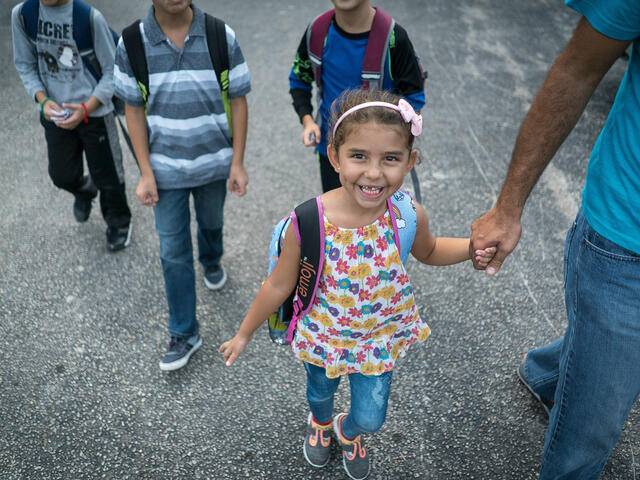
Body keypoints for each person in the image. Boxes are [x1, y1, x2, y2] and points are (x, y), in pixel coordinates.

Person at [220, 89, 495, 480]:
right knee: (319, 393)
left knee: (372, 415)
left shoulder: (406, 214)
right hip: (323, 336)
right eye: (359, 156)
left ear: (410, 162)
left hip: (377, 340)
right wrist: (244, 334)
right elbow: (277, 286)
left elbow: (430, 251)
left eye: (391, 159)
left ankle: (347, 430)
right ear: (335, 157)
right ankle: (320, 421)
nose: (374, 172)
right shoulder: (308, 222)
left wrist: (472, 249)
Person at [469, 1, 640, 478]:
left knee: (604, 360)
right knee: (587, 441)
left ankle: (554, 371)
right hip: (628, 239)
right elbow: (577, 69)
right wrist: (508, 207)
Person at [114, 0, 250, 371]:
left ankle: (211, 258)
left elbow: (238, 100)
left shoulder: (221, 35)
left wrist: (237, 162)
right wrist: (145, 171)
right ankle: (184, 333)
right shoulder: (132, 42)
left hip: (213, 165)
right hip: (164, 172)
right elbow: (133, 110)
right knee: (173, 250)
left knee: (211, 223)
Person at [11, 0, 132, 251]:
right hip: (55, 112)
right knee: (61, 175)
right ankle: (85, 191)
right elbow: (25, 63)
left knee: (108, 176)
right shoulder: (23, 15)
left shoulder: (89, 18)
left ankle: (118, 222)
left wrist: (88, 107)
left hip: (95, 111)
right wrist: (43, 100)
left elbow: (112, 72)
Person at [289, 0, 425, 193]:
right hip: (333, 151)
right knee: (337, 216)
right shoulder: (318, 32)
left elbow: (414, 97)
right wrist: (308, 120)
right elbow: (299, 80)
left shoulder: (394, 38)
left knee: (376, 216)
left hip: (378, 159)